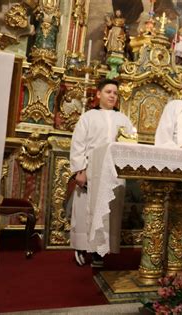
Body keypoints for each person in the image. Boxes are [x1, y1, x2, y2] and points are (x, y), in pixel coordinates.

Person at [69, 79, 134, 267]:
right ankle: (81, 246)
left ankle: (100, 251)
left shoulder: (123, 120)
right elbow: (78, 145)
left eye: (115, 92)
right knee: (85, 210)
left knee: (107, 212)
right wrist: (79, 171)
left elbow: (130, 143)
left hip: (113, 172)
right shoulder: (88, 117)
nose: (112, 95)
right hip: (91, 170)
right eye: (108, 92)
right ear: (98, 94)